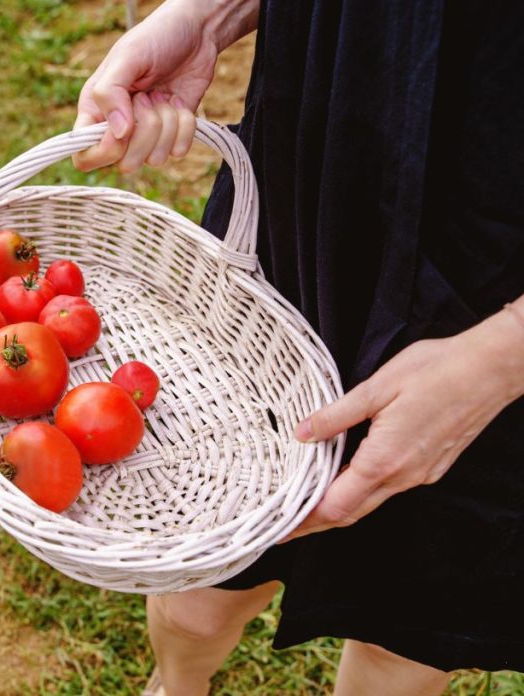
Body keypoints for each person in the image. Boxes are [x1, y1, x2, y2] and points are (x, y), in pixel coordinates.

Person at [72, 1, 524, 694]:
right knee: (198, 595)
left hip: (494, 288)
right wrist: (211, 16)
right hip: (310, 171)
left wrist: (500, 358)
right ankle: (175, 687)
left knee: (401, 638)